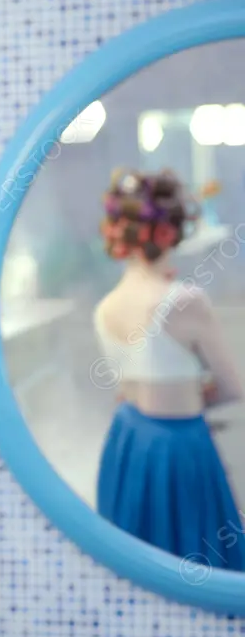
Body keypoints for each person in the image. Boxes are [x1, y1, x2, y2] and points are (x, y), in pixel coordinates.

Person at [93, 167, 245, 571]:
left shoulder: (105, 307)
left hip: (126, 442)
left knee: (138, 567)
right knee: (195, 562)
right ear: (172, 232)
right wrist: (196, 394)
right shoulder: (185, 301)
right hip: (178, 447)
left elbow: (124, 390)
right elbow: (233, 388)